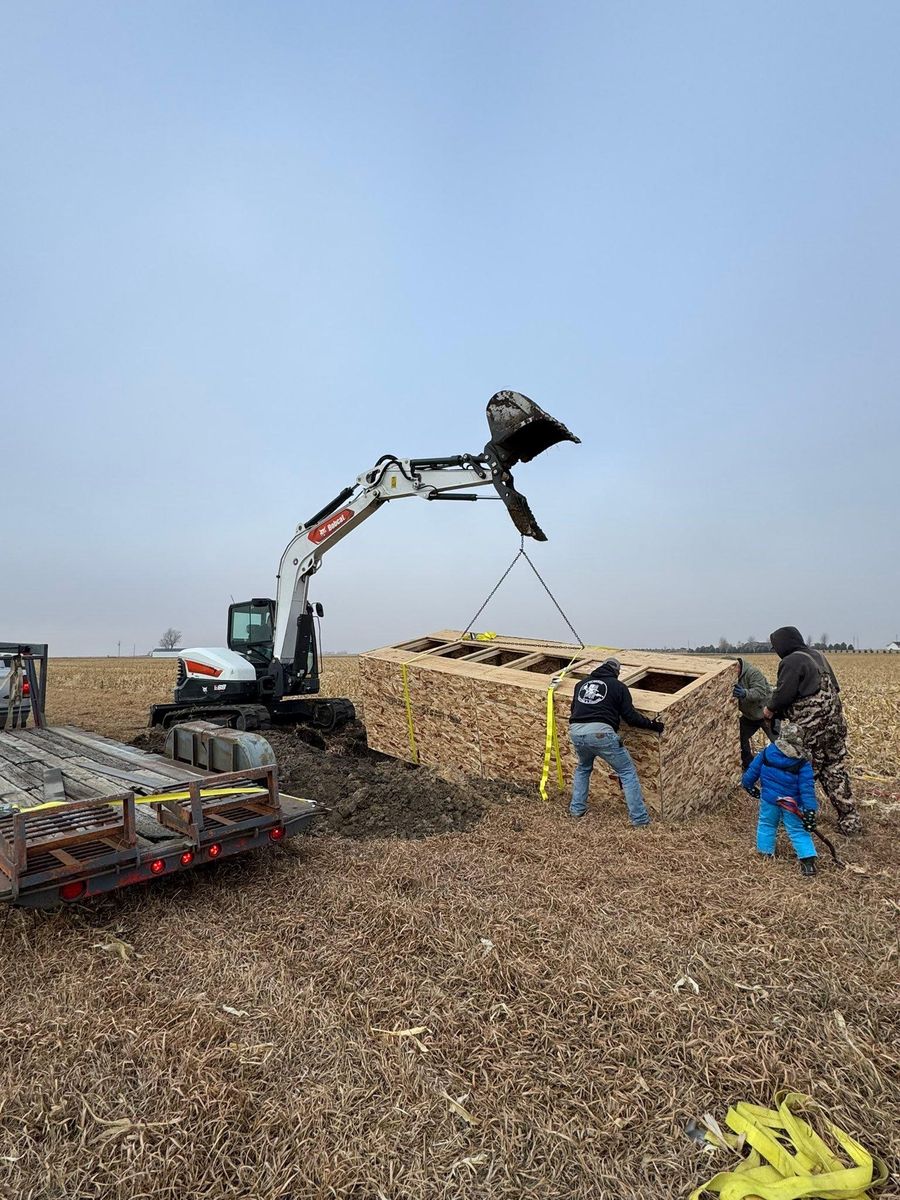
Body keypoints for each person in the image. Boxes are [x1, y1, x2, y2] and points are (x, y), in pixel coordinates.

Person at [763, 626, 862, 836]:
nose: (776, 651)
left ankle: (792, 816)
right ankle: (850, 820)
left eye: (776, 646)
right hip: (835, 726)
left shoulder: (791, 661)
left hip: (810, 729)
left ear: (784, 644)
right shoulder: (819, 656)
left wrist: (770, 710)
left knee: (800, 770)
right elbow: (835, 689)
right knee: (834, 769)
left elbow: (783, 695)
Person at [568, 656, 664, 826]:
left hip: (576, 732)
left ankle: (576, 810)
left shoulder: (580, 684)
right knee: (627, 772)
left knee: (583, 768)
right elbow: (630, 717)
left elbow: (574, 710)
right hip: (601, 734)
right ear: (616, 672)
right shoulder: (618, 686)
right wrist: (652, 725)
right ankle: (640, 820)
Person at [742, 721, 818, 876]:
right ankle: (808, 862)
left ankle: (765, 853)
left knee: (767, 824)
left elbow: (752, 772)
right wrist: (810, 810)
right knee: (797, 830)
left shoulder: (767, 752)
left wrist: (749, 786)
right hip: (792, 804)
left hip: (770, 799)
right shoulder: (802, 762)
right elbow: (807, 789)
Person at [733, 657, 774, 770]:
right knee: (739, 737)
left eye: (733, 670)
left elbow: (760, 692)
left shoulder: (753, 673)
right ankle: (749, 765)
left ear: (738, 667)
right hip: (749, 716)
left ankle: (784, 770)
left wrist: (744, 693)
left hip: (767, 714)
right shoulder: (731, 679)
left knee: (778, 742)